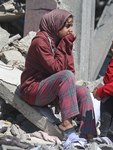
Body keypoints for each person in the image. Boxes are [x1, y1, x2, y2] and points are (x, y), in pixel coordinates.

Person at [20, 9, 96, 148]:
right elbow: (58, 69)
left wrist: (66, 92)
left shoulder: (59, 41)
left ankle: (88, 135)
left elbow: (70, 70)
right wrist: (64, 44)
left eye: (71, 26)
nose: (70, 30)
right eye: (67, 26)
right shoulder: (40, 42)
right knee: (65, 76)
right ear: (56, 25)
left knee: (83, 92)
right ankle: (66, 126)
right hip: (32, 90)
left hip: (49, 88)